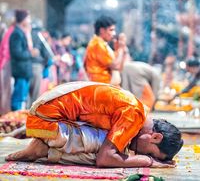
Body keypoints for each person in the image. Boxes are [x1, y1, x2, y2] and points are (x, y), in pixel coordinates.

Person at [6, 81, 183, 168]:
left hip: (43, 116)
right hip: (45, 121)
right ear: (155, 137)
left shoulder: (139, 110)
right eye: (150, 151)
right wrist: (148, 161)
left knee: (116, 150)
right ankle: (43, 149)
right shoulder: (134, 114)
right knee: (106, 152)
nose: (142, 152)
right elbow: (104, 159)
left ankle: (47, 150)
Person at [9, 10, 39, 110]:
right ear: (23, 20)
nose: (30, 21)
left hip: (24, 71)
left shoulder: (22, 33)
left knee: (23, 98)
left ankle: (18, 118)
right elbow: (16, 53)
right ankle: (13, 120)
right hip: (20, 71)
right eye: (28, 18)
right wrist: (31, 53)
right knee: (18, 98)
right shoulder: (16, 34)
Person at [84, 15, 127, 84]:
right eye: (111, 30)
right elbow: (115, 66)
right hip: (102, 87)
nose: (114, 33)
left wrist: (119, 49)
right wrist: (121, 48)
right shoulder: (97, 44)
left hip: (106, 86)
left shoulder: (102, 44)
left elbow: (119, 67)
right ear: (102, 30)